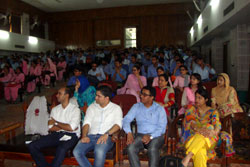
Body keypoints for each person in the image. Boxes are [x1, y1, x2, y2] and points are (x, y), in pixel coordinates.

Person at [28, 87, 81, 167]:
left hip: (72, 136)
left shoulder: (75, 110)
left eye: (59, 93)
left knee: (61, 149)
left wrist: (56, 123)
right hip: (57, 134)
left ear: (66, 95)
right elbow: (51, 128)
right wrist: (66, 126)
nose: (57, 95)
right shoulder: (55, 109)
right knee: (32, 145)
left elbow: (71, 128)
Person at [73, 85, 123, 167]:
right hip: (90, 136)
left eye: (98, 96)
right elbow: (86, 123)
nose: (95, 98)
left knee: (99, 151)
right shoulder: (92, 107)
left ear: (107, 98)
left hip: (106, 137)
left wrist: (107, 134)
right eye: (96, 95)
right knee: (77, 151)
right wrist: (84, 136)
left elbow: (118, 125)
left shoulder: (116, 108)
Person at [123, 86, 167, 167]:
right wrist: (129, 132)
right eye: (141, 93)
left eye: (145, 95)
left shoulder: (159, 109)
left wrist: (150, 136)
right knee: (130, 148)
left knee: (152, 149)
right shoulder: (136, 106)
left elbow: (162, 128)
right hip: (141, 135)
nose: (141, 96)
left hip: (156, 136)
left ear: (152, 97)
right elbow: (126, 119)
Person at [180, 88, 221, 167]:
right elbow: (191, 122)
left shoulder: (213, 111)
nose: (196, 100)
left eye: (200, 98)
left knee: (209, 127)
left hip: (209, 140)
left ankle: (188, 156)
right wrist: (199, 130)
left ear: (206, 99)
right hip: (192, 138)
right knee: (200, 152)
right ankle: (190, 154)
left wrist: (214, 131)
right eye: (196, 97)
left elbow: (217, 125)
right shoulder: (191, 109)